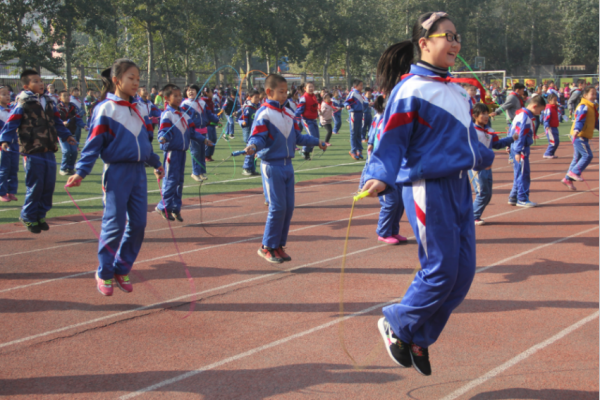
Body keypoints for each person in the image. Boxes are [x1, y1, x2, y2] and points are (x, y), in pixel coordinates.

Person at [362, 12, 495, 377]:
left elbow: (465, 142)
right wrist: (378, 175)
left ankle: (419, 336)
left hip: (458, 186)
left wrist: (489, 153)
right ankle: (396, 322)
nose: (455, 43)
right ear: (424, 43)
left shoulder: (455, 90)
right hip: (426, 187)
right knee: (439, 271)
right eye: (447, 36)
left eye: (457, 36)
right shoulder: (411, 89)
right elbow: (390, 140)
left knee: (463, 274)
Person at [65, 59, 164, 296]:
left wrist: (156, 163)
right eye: (131, 78)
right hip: (116, 172)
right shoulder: (105, 109)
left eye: (138, 79)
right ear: (116, 80)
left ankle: (122, 268)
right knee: (115, 225)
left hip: (139, 173)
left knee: (139, 224)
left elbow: (145, 143)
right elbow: (92, 145)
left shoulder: (141, 108)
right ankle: (105, 272)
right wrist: (80, 171)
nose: (136, 83)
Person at [244, 74, 327, 264]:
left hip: (288, 166)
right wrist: (253, 147)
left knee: (288, 208)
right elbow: (257, 137)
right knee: (277, 207)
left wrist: (317, 141)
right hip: (272, 166)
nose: (284, 95)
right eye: (280, 92)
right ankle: (267, 246)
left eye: (286, 91)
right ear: (268, 92)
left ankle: (278, 245)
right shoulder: (264, 113)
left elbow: (298, 137)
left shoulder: (289, 112)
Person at [0, 70, 77, 233]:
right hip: (32, 150)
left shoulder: (49, 101)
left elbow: (56, 121)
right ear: (27, 86)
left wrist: (67, 135)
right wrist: (5, 140)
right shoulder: (23, 102)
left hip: (48, 148)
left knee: (49, 185)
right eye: (36, 81)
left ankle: (40, 214)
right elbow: (12, 122)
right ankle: (28, 216)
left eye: (41, 81)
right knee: (36, 185)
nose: (41, 84)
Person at [156, 84, 209, 222]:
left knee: (179, 181)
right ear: (167, 98)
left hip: (182, 152)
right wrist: (163, 138)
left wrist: (204, 140)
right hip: (172, 153)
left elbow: (192, 132)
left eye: (180, 95)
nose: (179, 98)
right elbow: (163, 131)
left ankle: (175, 208)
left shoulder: (185, 114)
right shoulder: (167, 114)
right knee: (171, 180)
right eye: (175, 96)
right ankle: (163, 206)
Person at [364, 95, 408, 244]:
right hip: (383, 167)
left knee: (401, 200)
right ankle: (383, 232)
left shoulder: (401, 121)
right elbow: (375, 138)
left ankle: (393, 230)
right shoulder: (382, 119)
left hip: (398, 166)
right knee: (390, 201)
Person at [470, 103, 515, 225]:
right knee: (482, 193)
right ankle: (472, 217)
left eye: (487, 114)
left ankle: (473, 215)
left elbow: (497, 144)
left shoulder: (489, 131)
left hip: (488, 166)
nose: (486, 116)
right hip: (476, 167)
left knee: (488, 194)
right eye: (483, 114)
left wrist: (511, 138)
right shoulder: (471, 131)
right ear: (474, 116)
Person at [508, 95, 546, 208]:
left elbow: (512, 130)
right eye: (540, 110)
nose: (540, 113)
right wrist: (518, 151)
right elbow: (519, 135)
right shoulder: (525, 117)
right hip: (521, 149)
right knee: (523, 174)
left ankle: (513, 197)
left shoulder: (520, 114)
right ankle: (522, 198)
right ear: (534, 106)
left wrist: (509, 145)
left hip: (516, 147)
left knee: (518, 173)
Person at [561, 86, 598, 191]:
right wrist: (577, 130)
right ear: (585, 95)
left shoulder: (592, 107)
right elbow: (580, 120)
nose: (594, 96)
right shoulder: (584, 106)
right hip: (579, 135)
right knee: (588, 155)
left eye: (595, 94)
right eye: (592, 94)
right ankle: (574, 172)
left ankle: (568, 179)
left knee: (577, 158)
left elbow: (595, 122)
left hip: (583, 135)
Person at [182, 84, 219, 182]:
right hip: (193, 131)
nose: (190, 92)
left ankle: (201, 172)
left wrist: (216, 120)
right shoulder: (185, 104)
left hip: (203, 130)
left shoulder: (202, 102)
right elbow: (183, 118)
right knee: (195, 152)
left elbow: (209, 113)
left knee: (202, 152)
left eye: (193, 90)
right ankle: (195, 172)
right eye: (188, 90)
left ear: (198, 92)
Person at [56, 90, 85, 176]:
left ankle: (71, 168)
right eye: (64, 96)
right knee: (67, 151)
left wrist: (84, 126)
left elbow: (78, 118)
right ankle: (63, 168)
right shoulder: (57, 108)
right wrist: (62, 123)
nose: (67, 97)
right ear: (60, 98)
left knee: (74, 151)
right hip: (62, 133)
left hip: (72, 132)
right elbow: (55, 120)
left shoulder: (73, 107)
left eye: (68, 96)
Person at [0, 85, 18, 202]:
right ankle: (2, 192)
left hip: (14, 142)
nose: (7, 96)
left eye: (8, 94)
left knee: (14, 167)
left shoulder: (13, 109)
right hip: (3, 144)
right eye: (3, 94)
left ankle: (11, 191)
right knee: (4, 168)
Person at [295, 82, 320, 160]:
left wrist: (317, 115)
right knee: (311, 136)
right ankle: (304, 150)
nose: (311, 88)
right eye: (309, 87)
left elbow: (314, 108)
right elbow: (299, 109)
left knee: (316, 137)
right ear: (305, 88)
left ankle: (306, 152)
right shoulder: (304, 98)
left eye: (312, 87)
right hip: (306, 120)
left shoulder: (314, 97)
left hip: (313, 120)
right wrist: (295, 118)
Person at [240, 90, 260, 176]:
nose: (257, 99)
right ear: (250, 97)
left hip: (257, 132)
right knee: (249, 151)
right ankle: (246, 168)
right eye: (255, 97)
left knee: (255, 152)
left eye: (258, 97)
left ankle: (252, 169)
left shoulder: (258, 108)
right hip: (249, 133)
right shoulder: (248, 108)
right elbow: (241, 118)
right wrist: (243, 123)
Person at [345, 79, 366, 160]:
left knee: (359, 132)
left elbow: (363, 103)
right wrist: (347, 106)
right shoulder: (353, 93)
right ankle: (353, 150)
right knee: (353, 132)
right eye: (360, 85)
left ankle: (359, 150)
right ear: (355, 86)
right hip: (354, 114)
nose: (362, 86)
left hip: (360, 114)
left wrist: (368, 104)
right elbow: (347, 102)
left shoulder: (361, 94)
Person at [202, 87, 219, 162]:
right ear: (206, 93)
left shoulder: (210, 101)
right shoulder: (203, 101)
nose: (212, 94)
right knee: (209, 139)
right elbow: (207, 114)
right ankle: (206, 155)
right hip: (207, 124)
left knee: (213, 139)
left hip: (212, 123)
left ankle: (209, 155)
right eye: (211, 92)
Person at [542, 93, 561, 159]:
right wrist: (547, 125)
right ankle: (547, 153)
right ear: (549, 100)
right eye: (554, 100)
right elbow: (546, 117)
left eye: (556, 100)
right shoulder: (548, 108)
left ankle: (551, 153)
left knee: (557, 141)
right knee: (553, 141)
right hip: (549, 127)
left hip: (554, 127)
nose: (556, 101)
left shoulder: (554, 108)